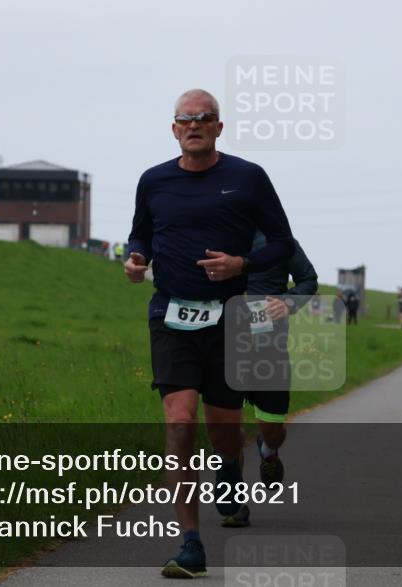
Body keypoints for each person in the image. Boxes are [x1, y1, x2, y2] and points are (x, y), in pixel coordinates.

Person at [125, 88, 294, 579]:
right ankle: (191, 543)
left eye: (204, 118)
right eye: (185, 118)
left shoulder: (247, 178)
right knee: (179, 421)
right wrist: (136, 259)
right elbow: (140, 233)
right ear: (174, 128)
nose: (194, 124)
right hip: (172, 316)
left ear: (219, 127)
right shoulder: (153, 181)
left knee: (224, 429)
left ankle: (228, 470)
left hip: (231, 316)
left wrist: (243, 262)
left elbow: (283, 242)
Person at [245, 230, 318, 488]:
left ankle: (268, 449)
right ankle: (230, 500)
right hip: (223, 339)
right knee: (222, 425)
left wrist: (287, 302)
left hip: (268, 343)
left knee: (273, 431)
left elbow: (308, 279)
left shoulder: (278, 239)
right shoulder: (215, 233)